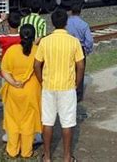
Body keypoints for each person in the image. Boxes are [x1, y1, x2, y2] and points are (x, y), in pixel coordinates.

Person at [34, 9, 85, 162]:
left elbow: (37, 65)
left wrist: (41, 81)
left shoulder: (45, 41)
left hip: (49, 86)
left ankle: (47, 157)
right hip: (67, 87)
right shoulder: (73, 41)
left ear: (52, 23)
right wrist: (76, 83)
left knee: (48, 122)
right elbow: (80, 66)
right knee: (67, 123)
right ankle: (67, 157)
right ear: (66, 23)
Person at [0, 24, 42, 158]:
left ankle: (12, 150)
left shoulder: (12, 51)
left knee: (13, 120)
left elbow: (5, 71)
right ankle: (26, 151)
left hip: (14, 90)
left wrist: (13, 82)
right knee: (28, 121)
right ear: (34, 36)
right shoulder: (38, 51)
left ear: (20, 35)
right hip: (32, 91)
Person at [66, 4, 94, 102]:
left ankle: (67, 91)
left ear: (71, 11)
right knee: (80, 71)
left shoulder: (65, 23)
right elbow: (89, 41)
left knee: (68, 70)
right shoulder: (84, 24)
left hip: (67, 48)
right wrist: (87, 49)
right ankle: (78, 94)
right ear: (80, 11)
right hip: (79, 49)